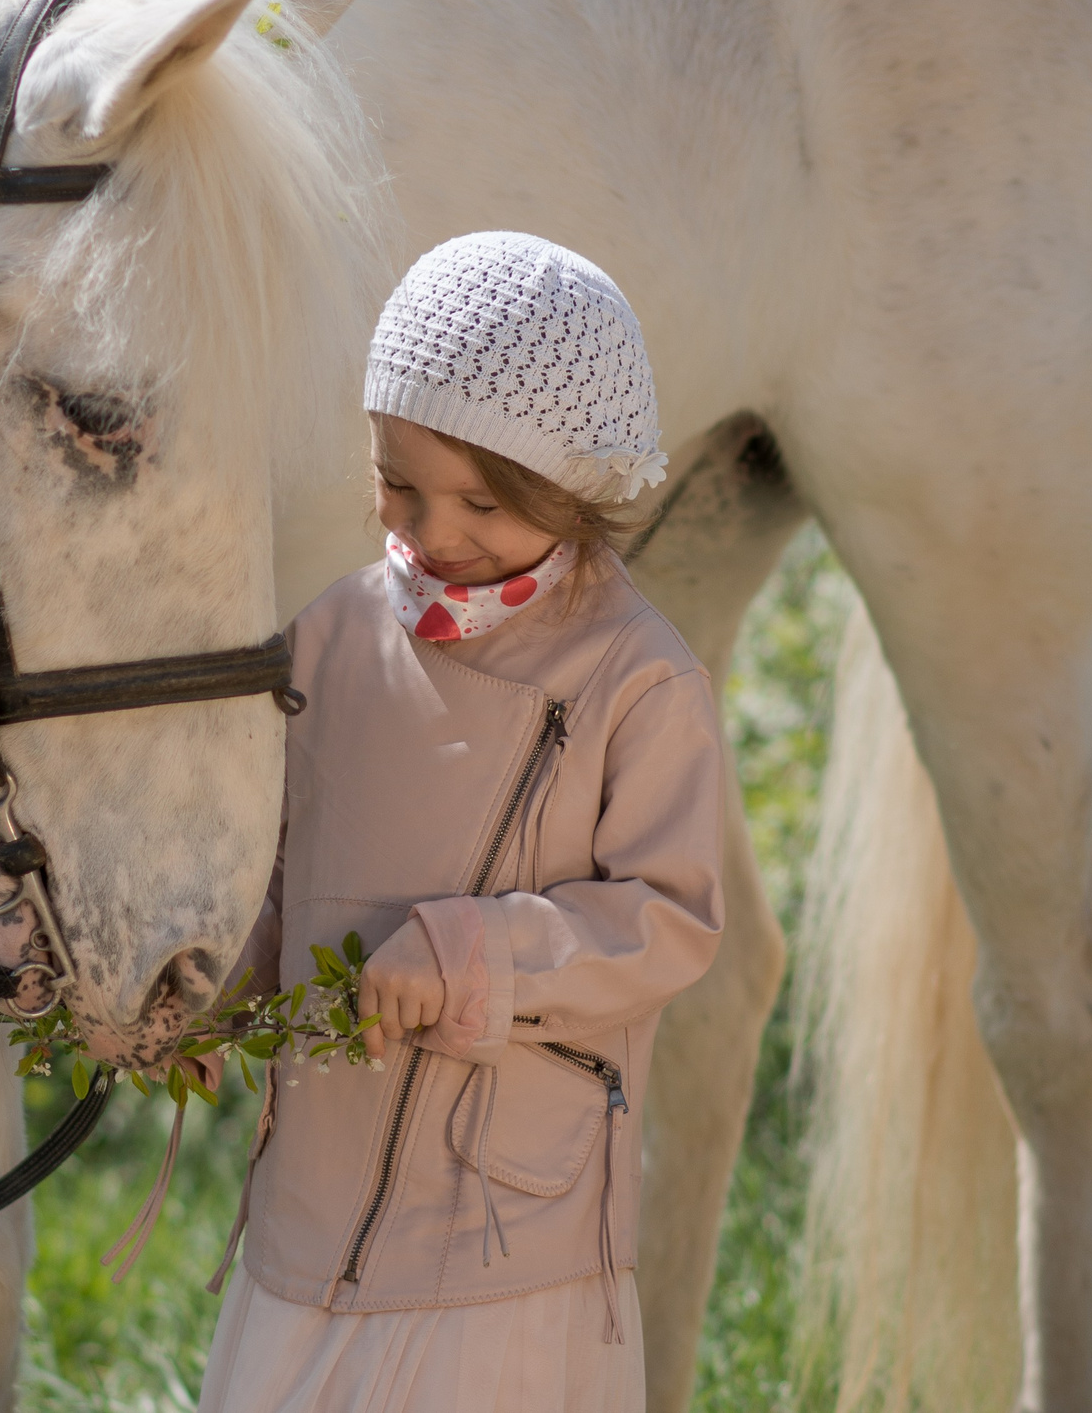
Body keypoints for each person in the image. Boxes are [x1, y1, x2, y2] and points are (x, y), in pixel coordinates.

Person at [196, 232, 728, 1413]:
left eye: (483, 500)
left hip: (503, 1231)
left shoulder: (636, 679)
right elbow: (277, 867)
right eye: (399, 481)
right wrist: (213, 981)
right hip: (316, 1197)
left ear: (577, 484)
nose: (434, 530)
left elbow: (671, 920)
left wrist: (470, 952)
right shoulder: (330, 635)